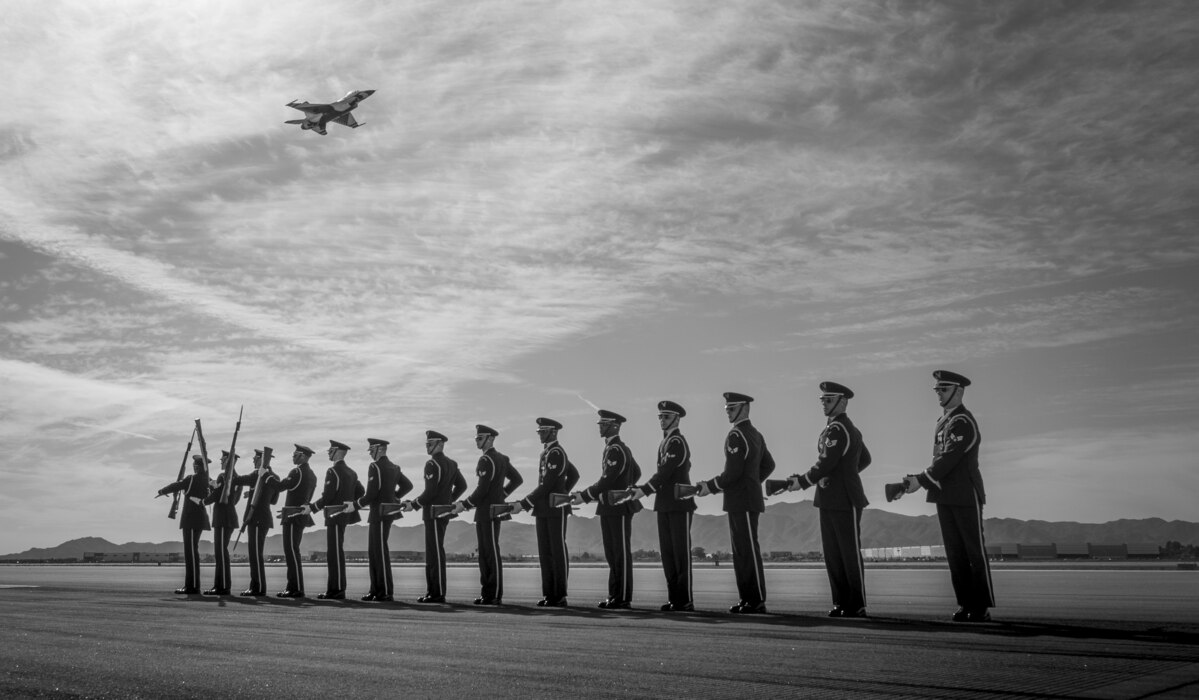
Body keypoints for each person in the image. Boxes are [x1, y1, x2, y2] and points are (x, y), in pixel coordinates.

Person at [902, 370, 995, 622]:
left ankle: (981, 606)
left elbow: (949, 458)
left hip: (965, 494)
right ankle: (965, 603)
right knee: (955, 553)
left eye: (943, 389)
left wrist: (920, 480)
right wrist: (922, 479)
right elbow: (941, 460)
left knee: (973, 551)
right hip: (945, 495)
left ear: (959, 391)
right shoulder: (944, 421)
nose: (939, 394)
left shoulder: (963, 421)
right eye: (937, 390)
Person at [786, 382, 871, 618]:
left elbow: (827, 463)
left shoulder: (840, 429)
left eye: (828, 399)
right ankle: (842, 602)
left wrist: (803, 481)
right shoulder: (836, 429)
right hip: (830, 497)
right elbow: (863, 459)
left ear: (842, 402)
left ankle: (856, 604)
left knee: (848, 552)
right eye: (822, 400)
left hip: (844, 498)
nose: (824, 403)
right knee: (834, 553)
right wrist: (845, 473)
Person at [697, 392, 775, 614]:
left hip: (741, 501)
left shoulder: (737, 435)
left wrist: (709, 486)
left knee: (747, 551)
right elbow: (769, 465)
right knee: (743, 551)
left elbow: (731, 474)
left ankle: (755, 599)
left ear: (743, 408)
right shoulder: (756, 435)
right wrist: (752, 484)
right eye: (726, 410)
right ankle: (748, 598)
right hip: (745, 498)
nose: (728, 413)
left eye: (731, 409)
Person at [627, 400, 696, 612]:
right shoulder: (665, 443)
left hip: (679, 504)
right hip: (665, 504)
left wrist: (643, 490)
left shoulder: (677, 442)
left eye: (666, 417)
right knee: (668, 553)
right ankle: (674, 597)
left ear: (676, 418)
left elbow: (665, 473)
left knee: (680, 553)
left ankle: (684, 600)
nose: (662, 420)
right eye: (660, 417)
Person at [573, 410, 641, 609]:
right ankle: (615, 594)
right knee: (612, 553)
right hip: (610, 507)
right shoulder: (616, 448)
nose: (600, 427)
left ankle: (622, 597)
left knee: (620, 553)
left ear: (614, 426)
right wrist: (625, 485)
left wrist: (585, 495)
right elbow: (636, 472)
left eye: (604, 424)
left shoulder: (616, 449)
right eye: (600, 424)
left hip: (618, 507)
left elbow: (607, 478)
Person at [452, 424, 523, 605]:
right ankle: (488, 593)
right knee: (485, 553)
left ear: (489, 439)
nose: (477, 441)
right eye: (476, 438)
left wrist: (465, 504)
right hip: (488, 511)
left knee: (490, 552)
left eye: (479, 438)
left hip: (488, 512)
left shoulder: (487, 460)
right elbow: (517, 480)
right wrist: (501, 495)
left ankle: (494, 594)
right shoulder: (501, 459)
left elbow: (482, 489)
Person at [511, 417, 579, 607]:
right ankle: (550, 593)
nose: (540, 434)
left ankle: (560, 594)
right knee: (545, 552)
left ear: (553, 432)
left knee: (557, 551)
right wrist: (562, 490)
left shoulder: (557, 452)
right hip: (543, 509)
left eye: (543, 431)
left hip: (556, 508)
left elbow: (548, 484)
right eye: (539, 431)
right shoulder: (547, 453)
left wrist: (525, 503)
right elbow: (573, 474)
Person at [403, 430, 468, 603]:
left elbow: (430, 492)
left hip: (433, 513)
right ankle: (434, 591)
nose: (427, 446)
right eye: (426, 444)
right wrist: (448, 501)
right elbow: (462, 486)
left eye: (430, 444)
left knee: (434, 553)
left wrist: (414, 504)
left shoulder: (433, 464)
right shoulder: (452, 464)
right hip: (443, 512)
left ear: (440, 444)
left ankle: (436, 592)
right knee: (436, 550)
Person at [302, 440, 364, 600]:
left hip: (334, 516)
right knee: (337, 552)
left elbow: (328, 496)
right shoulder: (351, 472)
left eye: (330, 450)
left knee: (334, 554)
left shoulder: (333, 471)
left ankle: (336, 590)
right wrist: (348, 503)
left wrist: (312, 507)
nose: (328, 452)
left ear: (336, 451)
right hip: (343, 516)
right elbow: (361, 491)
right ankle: (336, 588)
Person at [353, 438, 413, 602]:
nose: (370, 453)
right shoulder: (394, 467)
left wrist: (355, 505)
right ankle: (376, 590)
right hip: (385, 512)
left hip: (379, 513)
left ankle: (384, 591)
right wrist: (394, 498)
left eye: (371, 449)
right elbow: (408, 486)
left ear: (379, 449)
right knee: (374, 552)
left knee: (378, 552)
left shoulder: (376, 467)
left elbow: (371, 494)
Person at [157, 455, 211, 595]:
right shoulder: (208, 480)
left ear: (197, 466)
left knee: (191, 553)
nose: (194, 467)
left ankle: (192, 586)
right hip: (199, 519)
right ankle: (192, 584)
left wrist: (163, 491)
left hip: (191, 519)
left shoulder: (192, 478)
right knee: (192, 551)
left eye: (195, 465)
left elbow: (178, 485)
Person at [232, 448, 282, 597]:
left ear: (262, 460)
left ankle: (257, 587)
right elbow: (273, 501)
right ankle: (257, 586)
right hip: (264, 518)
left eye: (255, 458)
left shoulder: (257, 475)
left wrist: (231, 468)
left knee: (255, 554)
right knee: (256, 553)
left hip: (256, 518)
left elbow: (237, 480)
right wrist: (253, 493)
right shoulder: (275, 477)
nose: (253, 460)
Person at [275, 444, 318, 598]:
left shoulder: (297, 472)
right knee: (293, 551)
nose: (292, 457)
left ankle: (296, 588)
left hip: (293, 517)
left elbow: (280, 487)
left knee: (291, 552)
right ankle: (293, 587)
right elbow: (301, 497)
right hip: (298, 515)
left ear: (301, 456)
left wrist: (267, 475)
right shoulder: (311, 474)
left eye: (294, 454)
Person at [203, 451, 243, 596]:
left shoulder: (224, 476)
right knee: (221, 551)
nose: (220, 461)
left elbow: (216, 496)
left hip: (222, 517)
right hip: (230, 516)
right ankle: (221, 585)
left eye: (223, 459)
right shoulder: (237, 478)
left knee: (220, 552)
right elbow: (235, 499)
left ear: (228, 461)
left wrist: (204, 500)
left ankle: (222, 586)